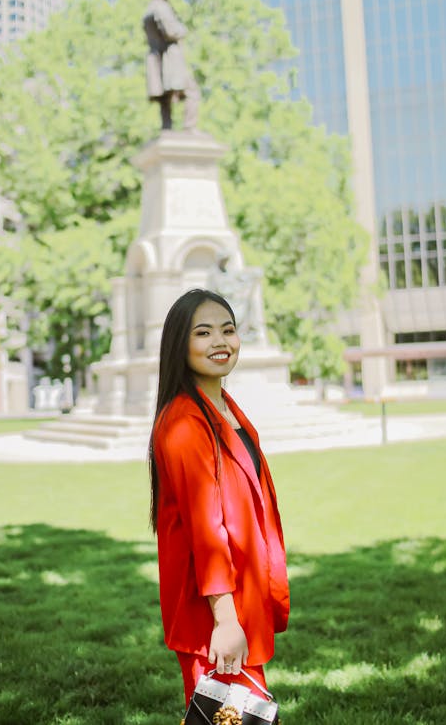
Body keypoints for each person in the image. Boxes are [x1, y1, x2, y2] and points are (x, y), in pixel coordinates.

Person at [148, 288, 290, 708]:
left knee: (246, 715)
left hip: (241, 598)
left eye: (228, 330)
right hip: (211, 613)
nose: (220, 342)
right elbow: (205, 529)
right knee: (226, 716)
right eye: (203, 333)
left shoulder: (225, 407)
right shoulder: (184, 423)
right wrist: (225, 620)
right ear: (180, 343)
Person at [142, 0, 200, 131]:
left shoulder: (147, 11)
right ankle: (189, 126)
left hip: (156, 58)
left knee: (165, 96)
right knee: (191, 90)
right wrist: (183, 30)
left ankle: (166, 127)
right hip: (169, 57)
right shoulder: (161, 8)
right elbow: (171, 31)